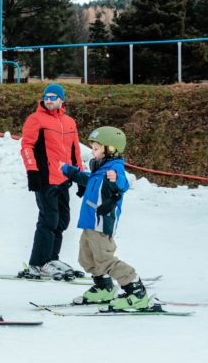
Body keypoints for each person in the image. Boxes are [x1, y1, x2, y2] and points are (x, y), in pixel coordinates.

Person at [61, 126, 154, 311]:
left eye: (96, 149)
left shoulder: (114, 169)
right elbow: (89, 179)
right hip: (89, 223)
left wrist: (116, 178)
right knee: (86, 259)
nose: (92, 153)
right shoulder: (100, 169)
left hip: (101, 223)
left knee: (105, 259)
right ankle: (104, 287)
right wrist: (69, 171)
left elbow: (123, 184)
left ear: (111, 149)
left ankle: (136, 291)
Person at [20, 83, 82, 278]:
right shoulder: (35, 119)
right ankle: (38, 263)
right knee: (48, 220)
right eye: (46, 97)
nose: (48, 100)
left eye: (53, 97)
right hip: (46, 179)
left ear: (62, 100)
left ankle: (52, 258)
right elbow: (27, 146)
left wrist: (80, 177)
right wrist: (32, 172)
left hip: (64, 180)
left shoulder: (70, 122)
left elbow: (75, 151)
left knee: (62, 220)